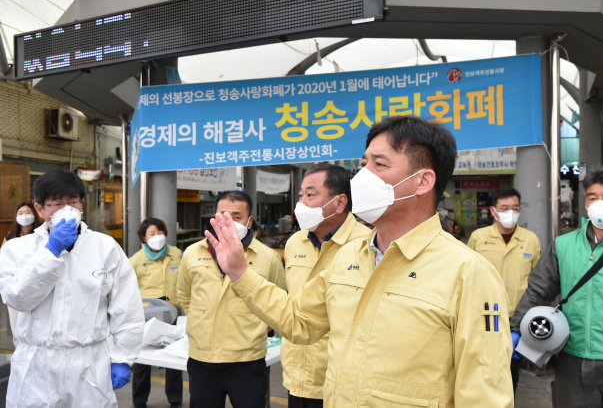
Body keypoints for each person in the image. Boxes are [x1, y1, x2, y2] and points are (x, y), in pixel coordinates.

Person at [207, 116, 514, 408]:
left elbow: (484, 392)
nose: (362, 175)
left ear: (422, 181)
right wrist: (239, 272)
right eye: (364, 164)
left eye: (379, 164)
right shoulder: (349, 256)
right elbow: (299, 321)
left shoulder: (469, 273)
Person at [0, 169, 144, 407]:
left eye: (72, 202)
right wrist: (51, 251)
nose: (66, 209)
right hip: (37, 366)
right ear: (39, 209)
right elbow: (18, 298)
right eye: (56, 203)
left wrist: (123, 356)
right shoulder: (17, 249)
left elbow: (127, 306)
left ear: (82, 205)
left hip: (88, 364)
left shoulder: (104, 247)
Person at [511, 165, 603, 408]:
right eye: (593, 197)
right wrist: (517, 329)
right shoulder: (563, 245)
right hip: (572, 359)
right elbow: (538, 290)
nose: (600, 203)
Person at [177, 191, 286, 408]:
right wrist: (203, 321)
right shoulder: (192, 253)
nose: (229, 222)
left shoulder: (268, 258)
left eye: (237, 217)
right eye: (223, 215)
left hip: (247, 361)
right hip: (201, 359)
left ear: (249, 221)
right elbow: (185, 296)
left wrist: (254, 329)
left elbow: (278, 301)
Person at [285, 164, 371, 407]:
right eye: (300, 195)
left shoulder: (367, 244)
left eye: (310, 195)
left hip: (343, 381)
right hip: (296, 377)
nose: (301, 203)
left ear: (340, 202)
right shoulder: (295, 242)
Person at [467, 188, 541, 392]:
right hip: (484, 314)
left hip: (517, 318)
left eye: (515, 208)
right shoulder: (478, 237)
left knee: (510, 369)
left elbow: (538, 282)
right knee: (481, 366)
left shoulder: (530, 240)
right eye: (505, 208)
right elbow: (467, 275)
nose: (511, 212)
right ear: (493, 211)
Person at [129, 218, 183, 408]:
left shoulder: (176, 255)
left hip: (173, 313)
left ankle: (175, 400)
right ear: (143, 237)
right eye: (152, 233)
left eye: (160, 232)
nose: (157, 237)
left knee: (173, 357)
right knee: (143, 361)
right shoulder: (135, 261)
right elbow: (128, 289)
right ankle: (139, 401)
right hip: (147, 316)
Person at [1, 202, 41, 348]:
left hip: (36, 285)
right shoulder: (11, 237)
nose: (24, 216)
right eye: (20, 213)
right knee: (16, 322)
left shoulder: (41, 235)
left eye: (27, 212)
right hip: (15, 285)